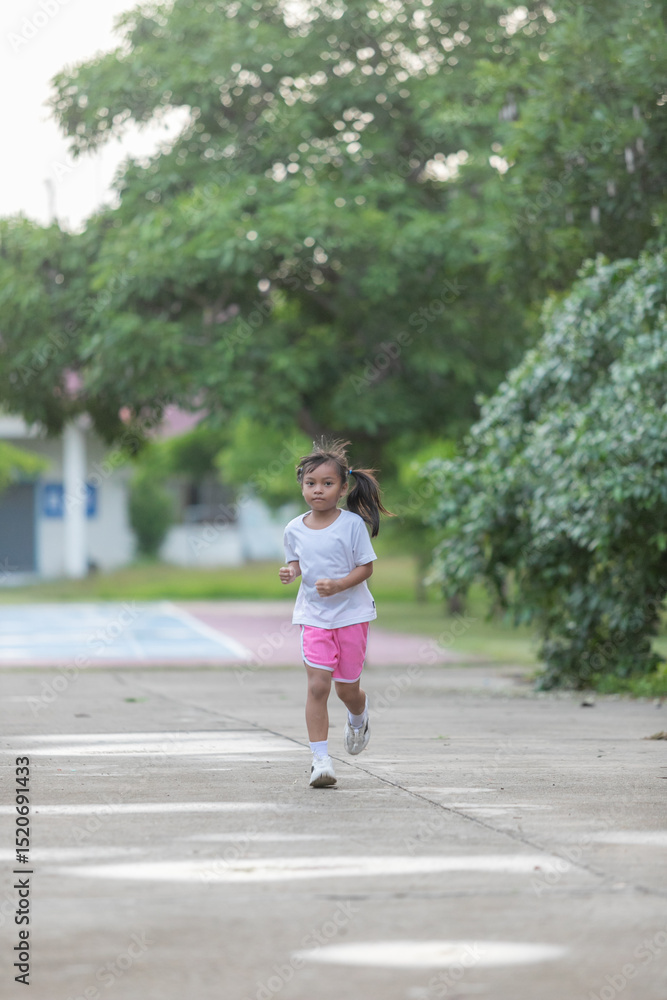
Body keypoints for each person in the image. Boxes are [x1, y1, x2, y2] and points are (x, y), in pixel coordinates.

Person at [279, 438, 393, 788]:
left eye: (327, 483)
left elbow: (366, 568)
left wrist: (340, 585)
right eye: (311, 483)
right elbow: (297, 562)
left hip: (351, 616)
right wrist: (291, 572)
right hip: (314, 617)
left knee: (347, 691)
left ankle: (358, 715)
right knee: (318, 686)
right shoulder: (294, 528)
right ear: (301, 485)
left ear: (343, 488)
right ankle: (320, 761)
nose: (318, 490)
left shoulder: (352, 525)